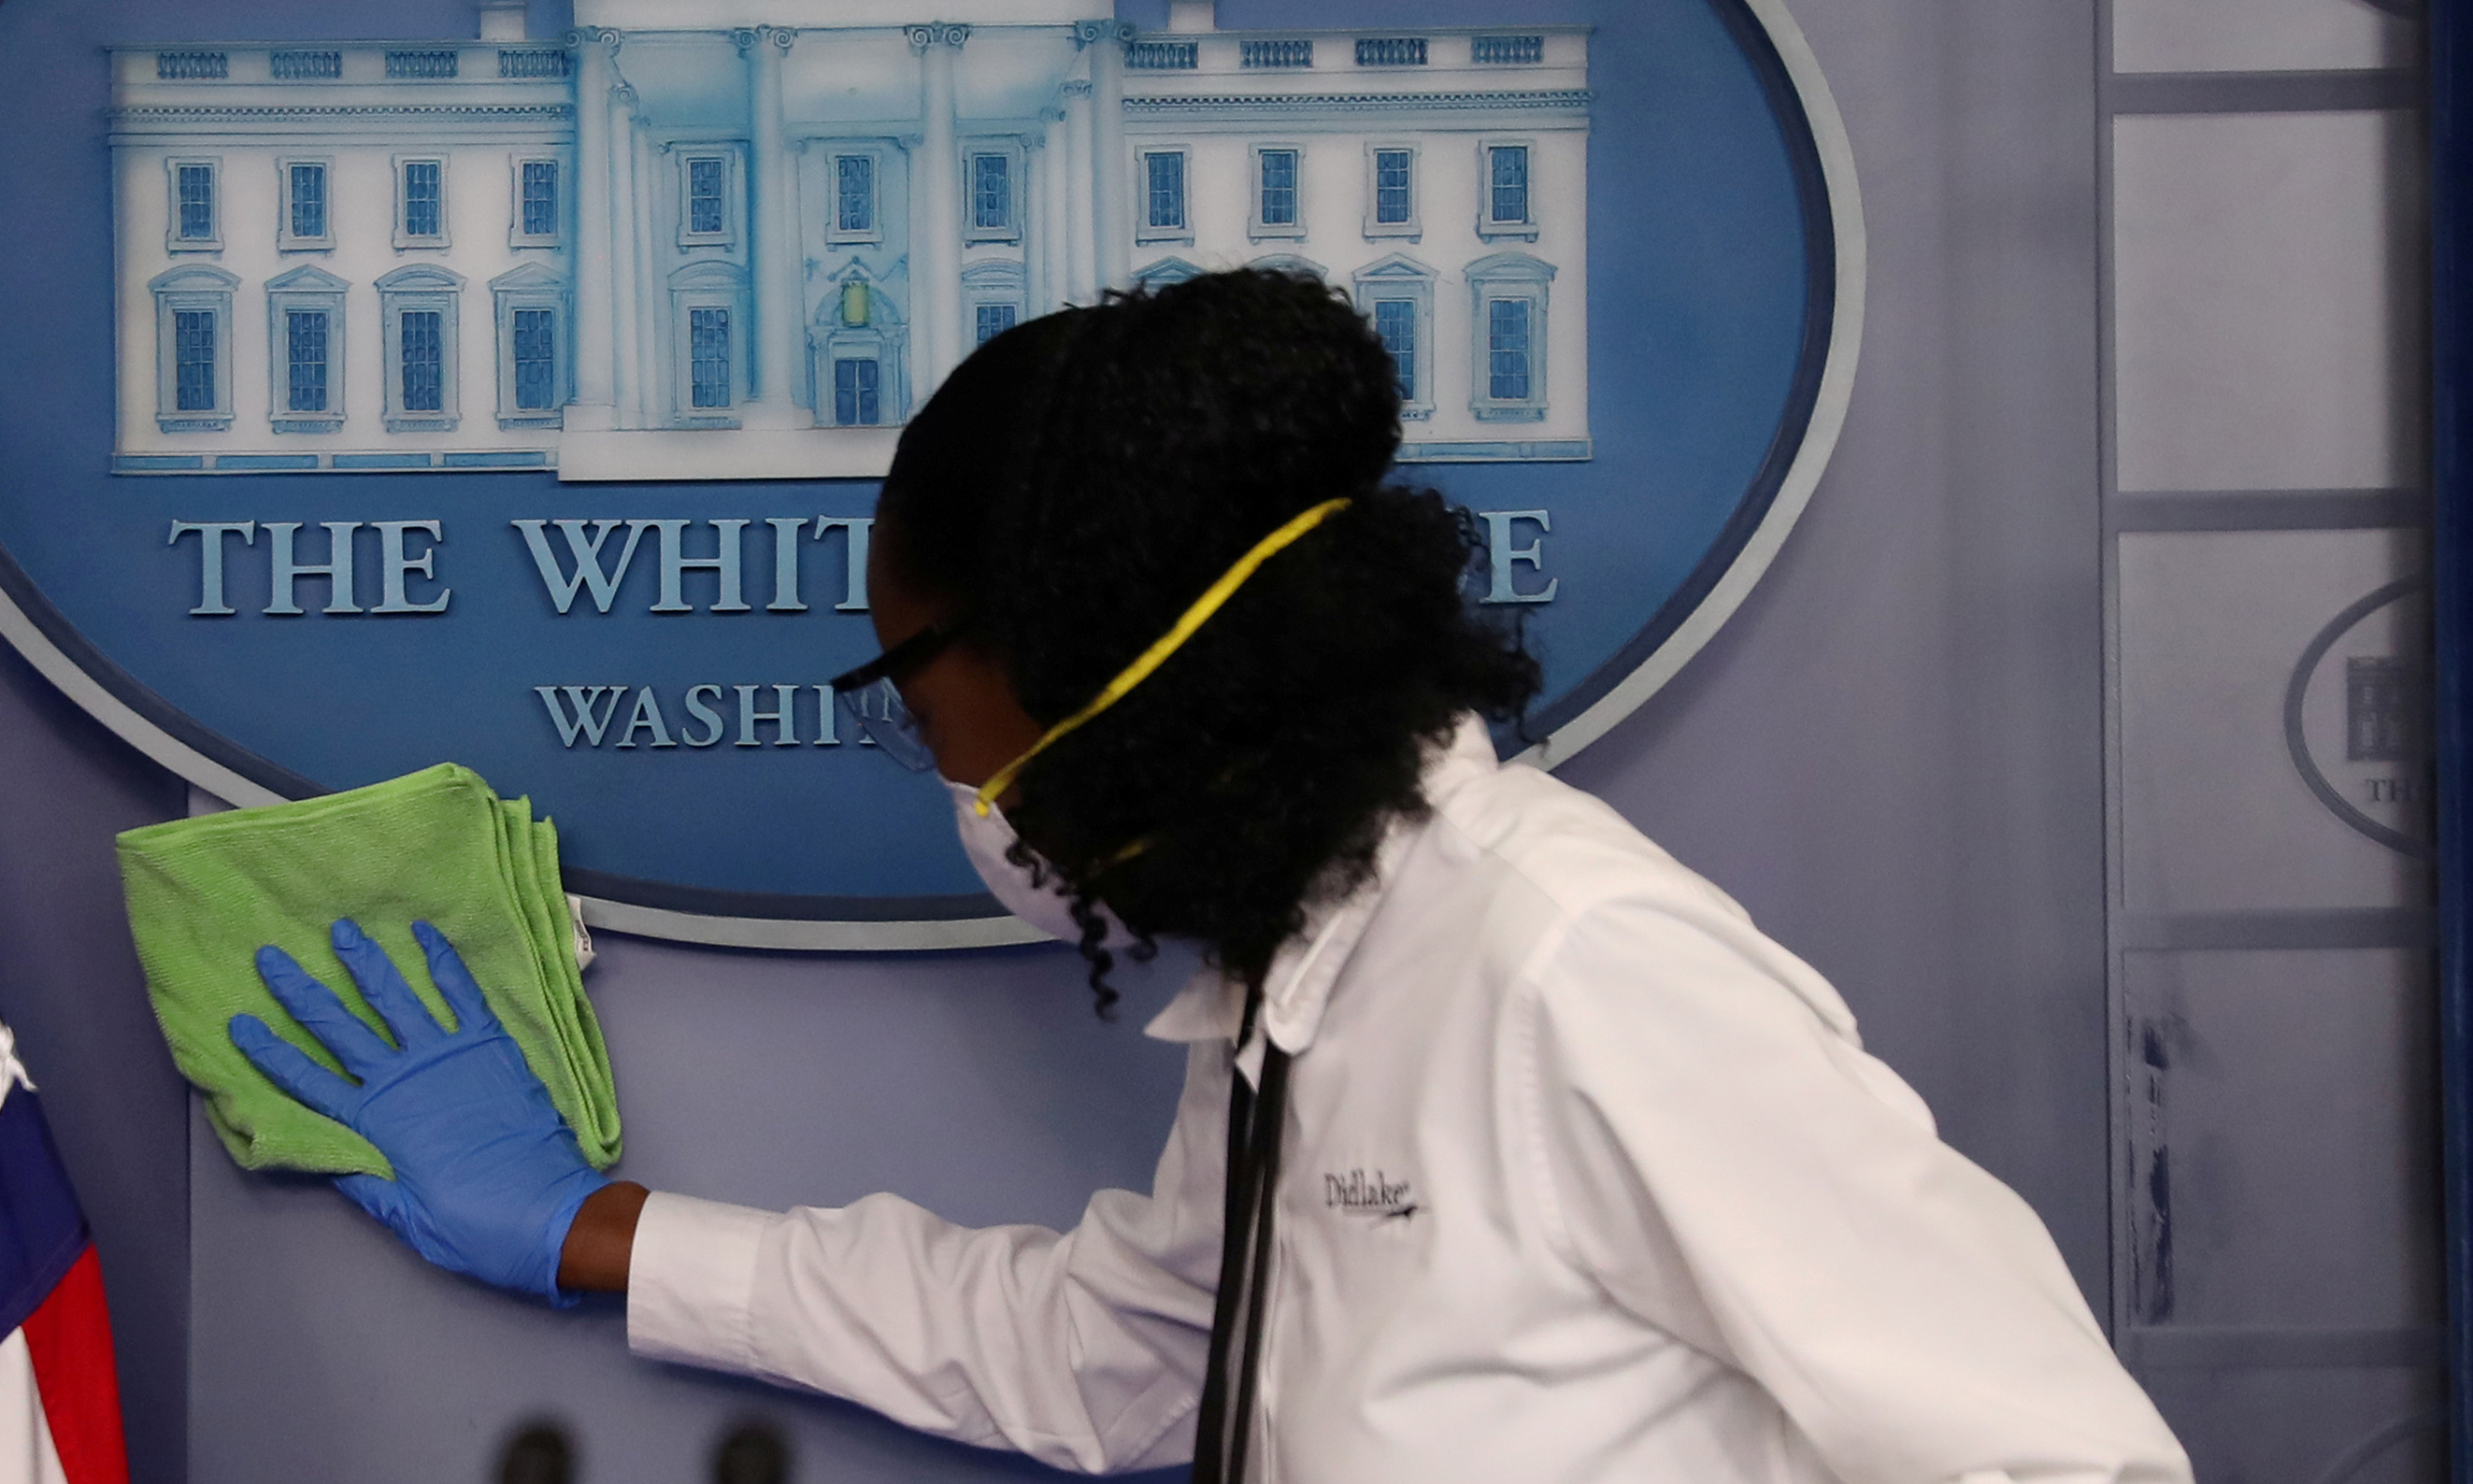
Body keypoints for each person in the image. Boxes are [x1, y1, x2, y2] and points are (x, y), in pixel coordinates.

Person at [231, 270, 2191, 1482]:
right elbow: (1129, 1353)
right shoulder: (1310, 983)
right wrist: (606, 1230)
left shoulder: (1571, 961)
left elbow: (2062, 1460)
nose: (939, 760)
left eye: (919, 680)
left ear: (1105, 663)